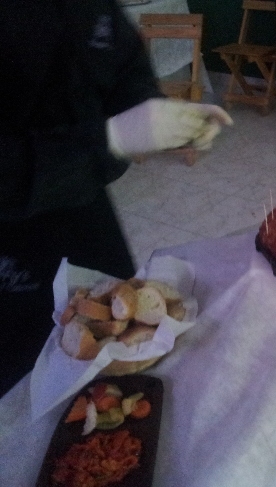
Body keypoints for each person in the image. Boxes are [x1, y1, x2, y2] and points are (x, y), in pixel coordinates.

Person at [0, 0, 233, 397]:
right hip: (12, 231)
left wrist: (157, 115)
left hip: (86, 209)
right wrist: (110, 139)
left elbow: (123, 69)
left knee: (122, 349)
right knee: (25, 386)